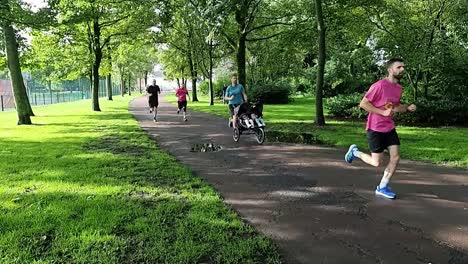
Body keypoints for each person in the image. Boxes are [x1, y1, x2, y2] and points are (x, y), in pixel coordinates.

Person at [344, 58, 417, 199]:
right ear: (390, 70)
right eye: (399, 67)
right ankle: (355, 152)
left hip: (389, 127)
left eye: (403, 67)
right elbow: (364, 104)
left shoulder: (398, 89)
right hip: (375, 128)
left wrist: (407, 108)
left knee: (395, 157)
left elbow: (395, 107)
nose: (402, 69)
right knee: (376, 162)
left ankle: (382, 187)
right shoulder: (379, 86)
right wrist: (382, 112)